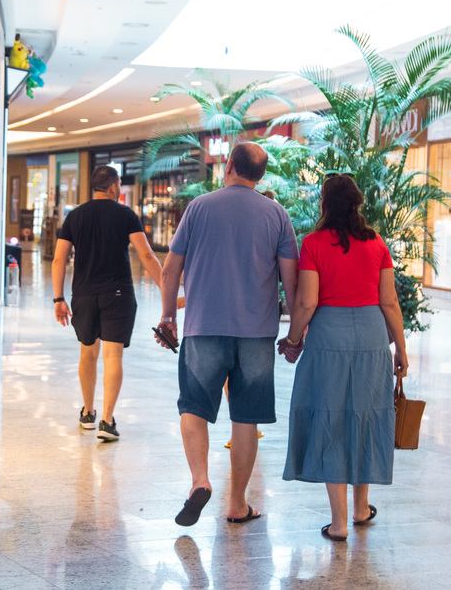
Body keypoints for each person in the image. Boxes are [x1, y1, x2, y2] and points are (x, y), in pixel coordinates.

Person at [155, 142, 299, 526]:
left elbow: (170, 271)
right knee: (246, 418)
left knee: (193, 408)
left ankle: (200, 480)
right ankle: (237, 503)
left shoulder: (199, 207)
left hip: (203, 328)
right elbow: (291, 281)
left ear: (230, 165)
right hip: (256, 334)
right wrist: (295, 333)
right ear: (261, 175)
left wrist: (169, 316)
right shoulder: (277, 215)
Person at [277, 173, 408, 543]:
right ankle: (361, 508)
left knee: (331, 417)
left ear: (325, 204)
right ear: (357, 205)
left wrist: (293, 339)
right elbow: (389, 301)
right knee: (364, 416)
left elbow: (307, 301)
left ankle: (337, 524)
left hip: (328, 337)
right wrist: (400, 346)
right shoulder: (377, 243)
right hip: (371, 336)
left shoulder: (314, 244)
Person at [52, 165, 163, 441]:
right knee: (112, 356)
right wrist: (167, 290)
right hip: (118, 294)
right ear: (113, 188)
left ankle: (88, 413)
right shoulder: (126, 215)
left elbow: (58, 259)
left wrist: (58, 298)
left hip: (84, 295)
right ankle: (107, 421)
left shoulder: (75, 216)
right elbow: (147, 256)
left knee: (87, 353)